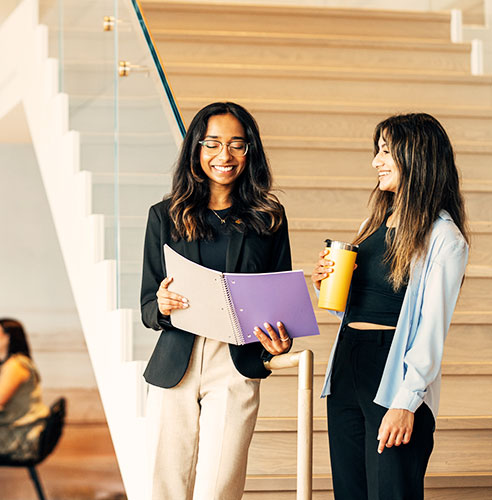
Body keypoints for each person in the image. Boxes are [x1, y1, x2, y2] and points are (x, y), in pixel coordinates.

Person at [312, 113, 469, 500]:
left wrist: (407, 403)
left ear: (417, 158)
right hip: (348, 362)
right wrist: (327, 288)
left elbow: (431, 330)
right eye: (377, 151)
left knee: (390, 492)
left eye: (386, 152)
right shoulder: (375, 221)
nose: (376, 162)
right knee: (350, 491)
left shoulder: (444, 238)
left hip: (394, 373)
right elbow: (361, 306)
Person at [140, 102, 292, 500]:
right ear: (196, 148)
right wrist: (163, 305)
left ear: (250, 152)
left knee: (219, 487)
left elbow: (279, 302)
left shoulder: (269, 217)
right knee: (165, 486)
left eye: (237, 145)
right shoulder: (165, 215)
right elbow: (146, 307)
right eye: (213, 144)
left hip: (236, 362)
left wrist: (280, 341)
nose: (224, 155)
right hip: (176, 361)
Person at [0, 318, 49, 461]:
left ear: (8, 336)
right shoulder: (11, 364)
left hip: (19, 437)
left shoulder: (15, 365)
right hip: (15, 430)